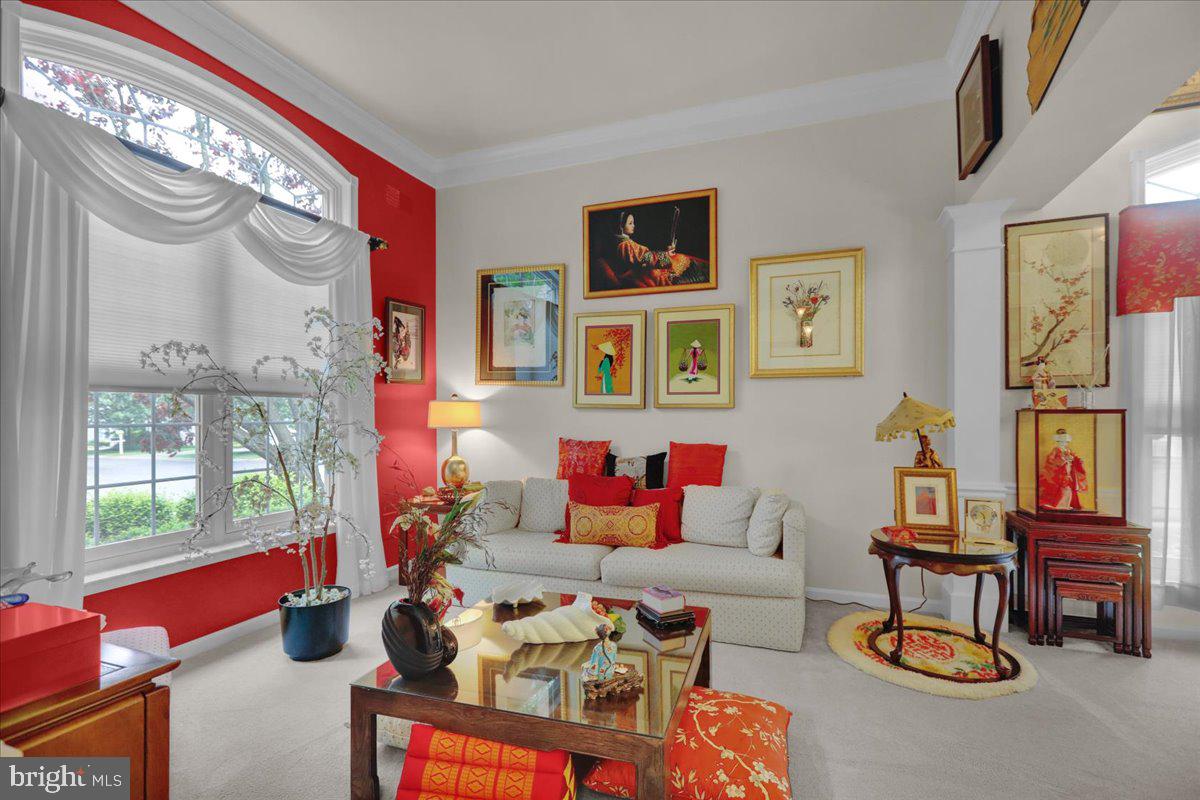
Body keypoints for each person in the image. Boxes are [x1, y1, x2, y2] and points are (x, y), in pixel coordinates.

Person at [598, 211, 707, 290]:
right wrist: (666, 255)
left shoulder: (624, 242)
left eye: (633, 223)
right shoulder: (625, 245)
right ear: (621, 226)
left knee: (679, 258)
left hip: (642, 270)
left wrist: (666, 254)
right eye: (630, 223)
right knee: (680, 261)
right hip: (639, 275)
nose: (633, 226)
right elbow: (645, 257)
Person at [1039, 428, 1089, 510]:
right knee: (1063, 488)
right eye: (1062, 441)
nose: (1064, 443)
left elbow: (1074, 458)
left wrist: (1079, 460)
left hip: (1069, 470)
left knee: (1069, 487)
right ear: (1058, 441)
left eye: (1065, 441)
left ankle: (1066, 505)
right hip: (1059, 473)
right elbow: (1050, 460)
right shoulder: (1056, 450)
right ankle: (1059, 505)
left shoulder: (1068, 450)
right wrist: (1062, 460)